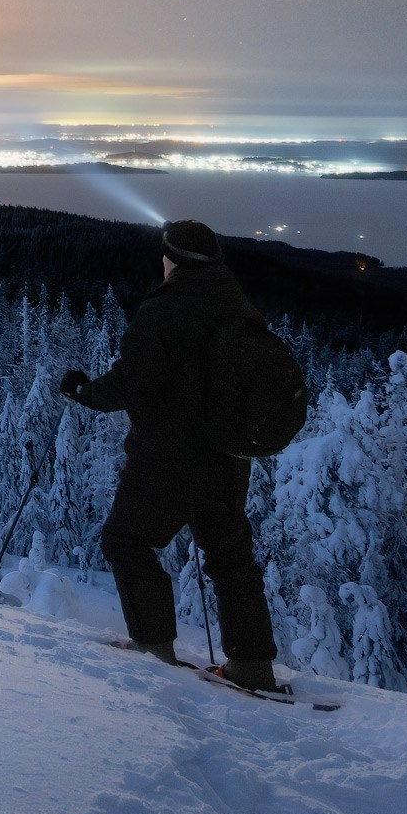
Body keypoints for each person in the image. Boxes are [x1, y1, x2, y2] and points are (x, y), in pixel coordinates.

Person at [58, 219, 280, 692]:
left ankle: (154, 650)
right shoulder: (235, 303)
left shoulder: (164, 310)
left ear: (171, 259)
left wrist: (82, 391)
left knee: (126, 542)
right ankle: (253, 667)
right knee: (230, 560)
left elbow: (131, 382)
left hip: (166, 460)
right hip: (227, 460)